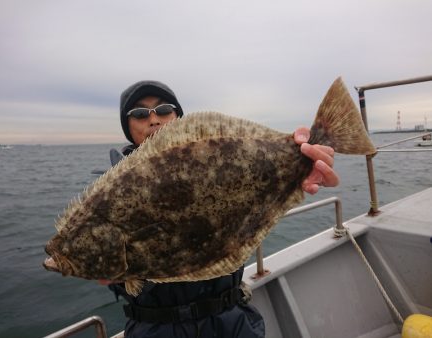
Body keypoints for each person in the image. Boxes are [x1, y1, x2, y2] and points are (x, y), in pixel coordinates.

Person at [102, 80, 339, 338]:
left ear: (178, 117)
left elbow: (252, 209)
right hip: (154, 329)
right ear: (128, 126)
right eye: (139, 113)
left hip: (231, 321)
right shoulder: (107, 195)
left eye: (164, 109)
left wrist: (300, 163)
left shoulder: (216, 160)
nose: (154, 120)